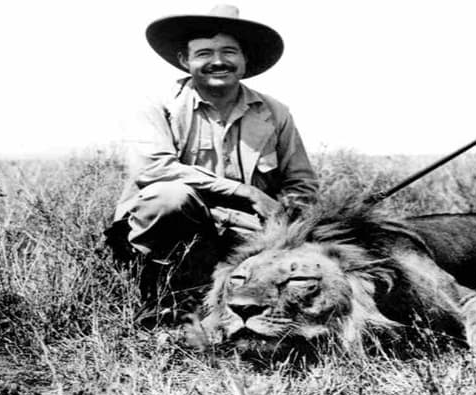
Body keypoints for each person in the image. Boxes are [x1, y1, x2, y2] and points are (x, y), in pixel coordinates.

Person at [105, 5, 318, 322]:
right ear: (184, 61)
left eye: (229, 52)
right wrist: (246, 193)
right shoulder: (156, 105)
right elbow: (155, 170)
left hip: (248, 231)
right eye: (204, 53)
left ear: (245, 60)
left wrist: (286, 220)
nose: (218, 62)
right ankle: (157, 294)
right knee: (168, 198)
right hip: (180, 224)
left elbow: (302, 184)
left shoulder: (276, 112)